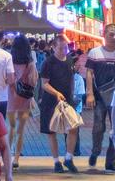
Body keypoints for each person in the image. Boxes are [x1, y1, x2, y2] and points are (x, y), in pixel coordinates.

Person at [86, 22, 115, 172]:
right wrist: (89, 93)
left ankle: (111, 161)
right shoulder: (95, 52)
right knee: (98, 127)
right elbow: (89, 73)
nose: (113, 37)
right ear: (104, 35)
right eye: (110, 34)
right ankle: (95, 151)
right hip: (99, 97)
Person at [40, 33, 80, 174]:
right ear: (54, 47)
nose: (64, 51)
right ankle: (56, 161)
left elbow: (71, 80)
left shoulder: (69, 61)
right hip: (51, 101)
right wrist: (56, 93)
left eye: (66, 48)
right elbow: (44, 84)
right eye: (61, 48)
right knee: (51, 131)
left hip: (67, 101)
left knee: (73, 128)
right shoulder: (48, 62)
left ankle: (68, 158)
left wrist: (73, 95)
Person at [7, 35, 38, 169]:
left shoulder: (9, 60)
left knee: (11, 128)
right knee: (21, 129)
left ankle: (7, 156)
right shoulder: (30, 63)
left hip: (11, 97)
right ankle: (16, 158)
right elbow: (33, 82)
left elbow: (7, 79)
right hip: (25, 98)